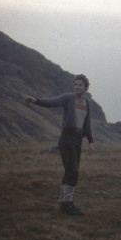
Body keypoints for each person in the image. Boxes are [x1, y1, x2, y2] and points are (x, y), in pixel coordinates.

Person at [22, 74, 94, 215]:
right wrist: (35, 100)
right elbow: (52, 102)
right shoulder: (68, 98)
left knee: (73, 171)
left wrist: (90, 141)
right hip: (67, 138)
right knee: (72, 170)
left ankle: (66, 203)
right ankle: (66, 204)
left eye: (80, 85)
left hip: (78, 139)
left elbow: (87, 123)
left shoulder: (87, 103)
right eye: (76, 84)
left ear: (85, 87)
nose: (77, 87)